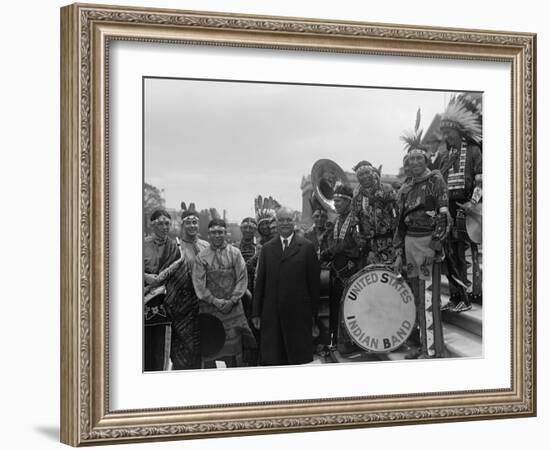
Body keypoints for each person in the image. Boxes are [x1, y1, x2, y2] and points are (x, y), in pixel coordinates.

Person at [393, 146, 450, 359]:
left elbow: (444, 214)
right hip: (410, 246)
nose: (415, 162)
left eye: (419, 158)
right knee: (417, 297)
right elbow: (400, 224)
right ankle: (423, 345)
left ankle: (433, 349)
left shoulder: (436, 180)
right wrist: (399, 253)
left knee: (429, 298)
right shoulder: (407, 188)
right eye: (411, 159)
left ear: (426, 160)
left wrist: (435, 245)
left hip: (427, 244)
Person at [252, 207, 320, 365]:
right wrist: (256, 312)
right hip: (272, 314)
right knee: (275, 360)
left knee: (297, 361)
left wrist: (313, 316)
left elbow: (314, 286)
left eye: (288, 219)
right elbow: (260, 282)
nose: (284, 223)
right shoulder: (267, 249)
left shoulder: (307, 247)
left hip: (298, 315)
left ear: (294, 222)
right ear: (276, 222)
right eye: (281, 220)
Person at [437, 96, 483, 313]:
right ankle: (456, 296)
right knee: (449, 253)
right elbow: (439, 182)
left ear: (459, 131)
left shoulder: (473, 151)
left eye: (449, 132)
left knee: (463, 253)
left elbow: (482, 180)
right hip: (449, 209)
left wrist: (473, 203)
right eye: (444, 133)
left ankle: (468, 297)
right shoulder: (446, 155)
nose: (446, 136)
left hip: (467, 208)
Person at [192, 219, 255, 368]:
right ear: (209, 235)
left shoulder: (235, 253)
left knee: (234, 351)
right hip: (211, 310)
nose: (217, 235)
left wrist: (232, 300)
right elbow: (199, 285)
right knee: (212, 350)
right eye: (214, 232)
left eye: (220, 232)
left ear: (225, 233)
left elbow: (242, 278)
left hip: (233, 310)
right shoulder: (201, 257)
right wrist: (216, 302)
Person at [320, 183, 362, 353]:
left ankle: (351, 343)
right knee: (336, 305)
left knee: (350, 306)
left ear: (348, 202)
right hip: (336, 271)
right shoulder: (336, 221)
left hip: (351, 268)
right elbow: (334, 243)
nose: (335, 204)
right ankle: (336, 341)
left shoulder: (356, 220)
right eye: (334, 201)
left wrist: (331, 251)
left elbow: (357, 246)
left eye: (339, 201)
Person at [143, 209, 180, 371]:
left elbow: (179, 275)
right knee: (143, 351)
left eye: (167, 223)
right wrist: (144, 276)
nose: (165, 227)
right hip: (143, 304)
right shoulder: (141, 244)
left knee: (161, 352)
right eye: (160, 223)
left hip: (165, 306)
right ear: (152, 225)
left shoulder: (174, 247)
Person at [351, 160, 398, 266]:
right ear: (357, 178)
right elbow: (355, 220)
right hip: (369, 247)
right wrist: (358, 238)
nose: (365, 176)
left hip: (389, 242)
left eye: (367, 173)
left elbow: (396, 213)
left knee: (390, 276)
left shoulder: (386, 189)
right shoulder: (357, 197)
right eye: (361, 175)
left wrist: (397, 239)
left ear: (373, 173)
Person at [236, 217, 262, 365]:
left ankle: (255, 362)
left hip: (256, 294)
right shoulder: (233, 248)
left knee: (255, 327)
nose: (247, 230)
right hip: (239, 294)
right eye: (245, 227)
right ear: (241, 228)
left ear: (255, 229)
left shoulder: (260, 248)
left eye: (251, 228)